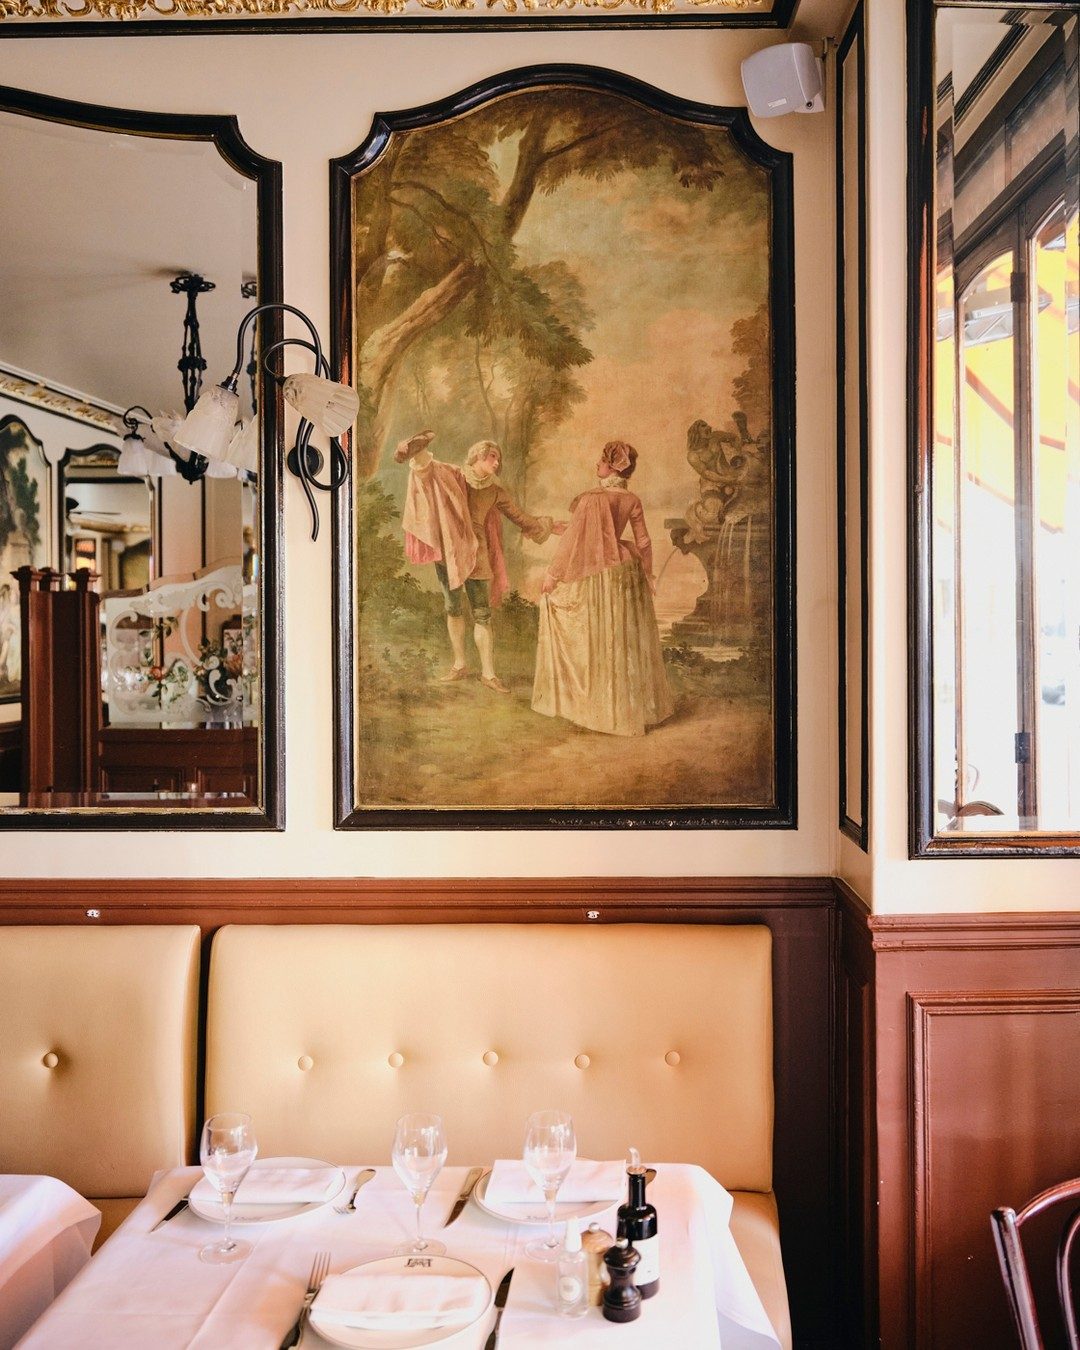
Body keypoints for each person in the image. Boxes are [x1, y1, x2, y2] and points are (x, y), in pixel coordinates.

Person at [398, 433, 564, 693]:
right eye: (492, 457)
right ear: (477, 457)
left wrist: (549, 526)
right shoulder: (454, 475)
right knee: (453, 608)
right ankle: (459, 665)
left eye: (498, 458)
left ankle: (488, 674)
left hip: (478, 556)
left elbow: (520, 517)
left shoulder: (495, 491)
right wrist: (413, 449)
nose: (496, 462)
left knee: (482, 613)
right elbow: (427, 469)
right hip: (451, 553)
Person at [532, 440, 674, 736]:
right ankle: (625, 711)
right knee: (622, 638)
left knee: (598, 634)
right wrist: (648, 574)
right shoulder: (631, 499)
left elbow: (573, 540)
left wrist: (553, 575)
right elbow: (644, 541)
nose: (597, 464)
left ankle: (600, 711)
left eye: (601, 460)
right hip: (627, 572)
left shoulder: (590, 498)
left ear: (612, 466)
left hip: (599, 574)